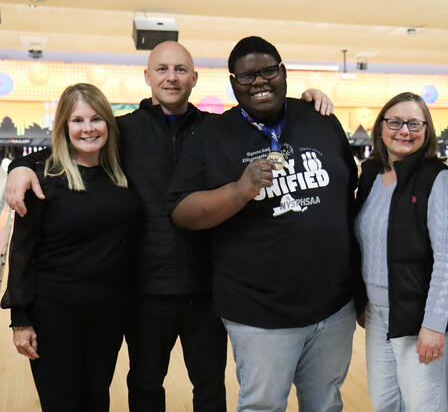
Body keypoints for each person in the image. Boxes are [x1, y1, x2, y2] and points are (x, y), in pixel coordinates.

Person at [3, 41, 334, 412]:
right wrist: (20, 166)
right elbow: (70, 145)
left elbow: (272, 122)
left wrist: (307, 102)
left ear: (194, 78)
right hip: (145, 289)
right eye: (161, 69)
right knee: (145, 384)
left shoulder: (217, 129)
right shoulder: (123, 130)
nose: (171, 77)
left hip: (208, 285)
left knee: (210, 385)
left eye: (180, 70)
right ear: (147, 76)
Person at [170, 36, 360, 412]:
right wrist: (239, 190)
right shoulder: (211, 136)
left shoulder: (319, 118)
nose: (259, 82)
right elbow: (182, 212)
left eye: (268, 71)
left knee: (325, 404)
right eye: (246, 77)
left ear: (283, 73)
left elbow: (349, 191)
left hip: (333, 308)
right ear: (233, 83)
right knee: (263, 406)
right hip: (258, 313)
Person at [0, 83, 141, 412]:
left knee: (96, 401)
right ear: (64, 127)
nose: (88, 128)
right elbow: (21, 250)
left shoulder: (121, 173)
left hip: (108, 314)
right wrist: (21, 320)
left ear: (109, 122)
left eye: (96, 119)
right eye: (77, 120)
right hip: (54, 314)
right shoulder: (43, 177)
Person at [354, 92, 448, 412]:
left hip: (419, 316)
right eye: (395, 122)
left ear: (426, 130)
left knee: (424, 406)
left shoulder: (438, 179)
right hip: (377, 314)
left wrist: (433, 324)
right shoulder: (373, 174)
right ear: (381, 128)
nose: (404, 130)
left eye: (414, 123)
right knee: (385, 403)